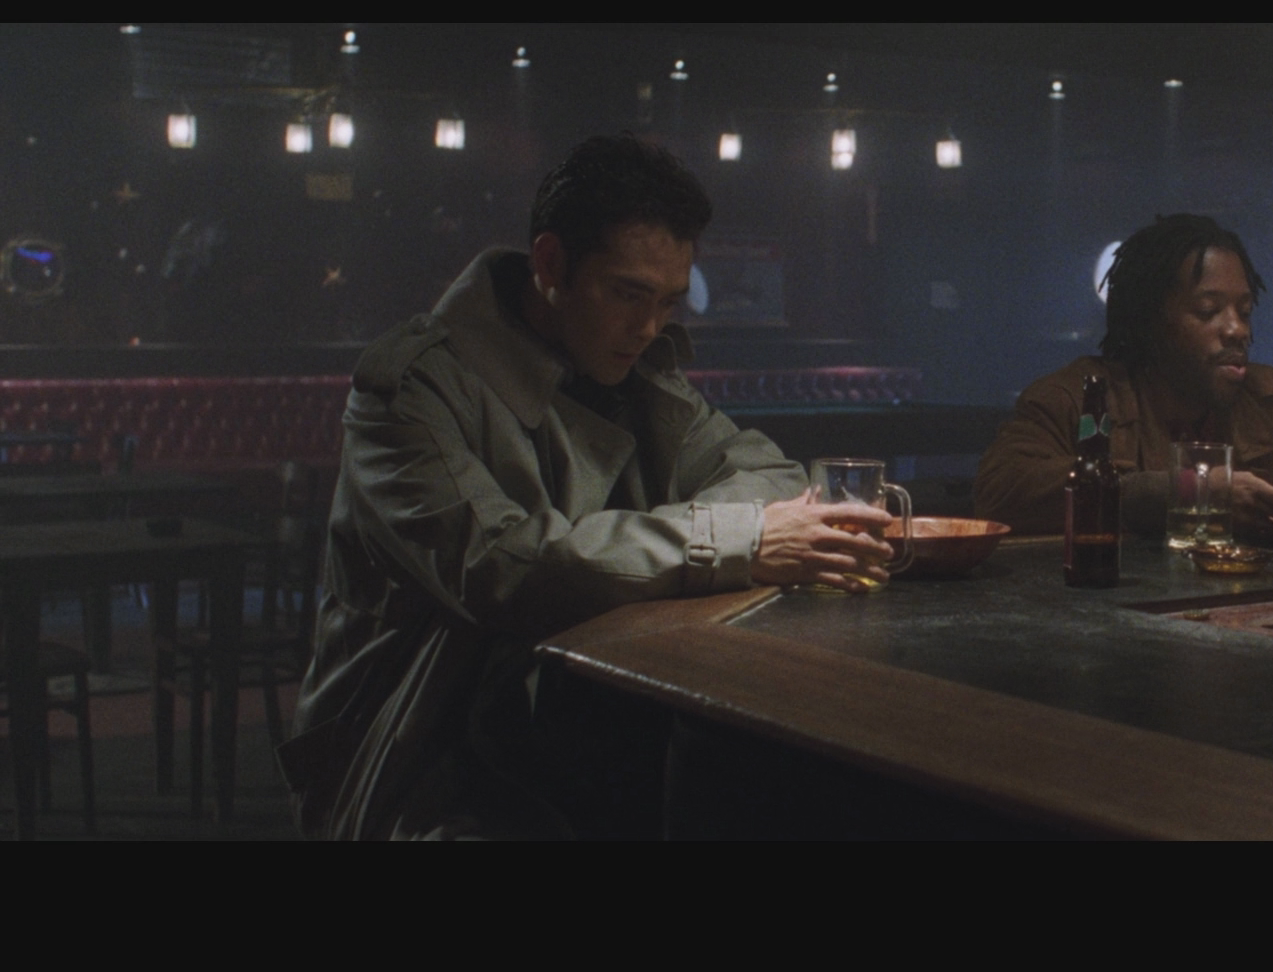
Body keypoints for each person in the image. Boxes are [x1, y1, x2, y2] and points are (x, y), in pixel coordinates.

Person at [282, 135, 895, 839]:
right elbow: (503, 566)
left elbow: (771, 477)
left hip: (577, 735)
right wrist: (739, 541)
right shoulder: (411, 388)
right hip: (418, 766)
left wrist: (659, 549)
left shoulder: (635, 372)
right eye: (627, 294)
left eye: (668, 302)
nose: (648, 327)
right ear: (551, 264)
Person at [974, 213, 1273, 539]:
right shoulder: (1076, 399)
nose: (1237, 329)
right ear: (1149, 322)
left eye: (1245, 311)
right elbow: (1002, 492)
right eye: (1207, 310)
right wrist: (1193, 491)